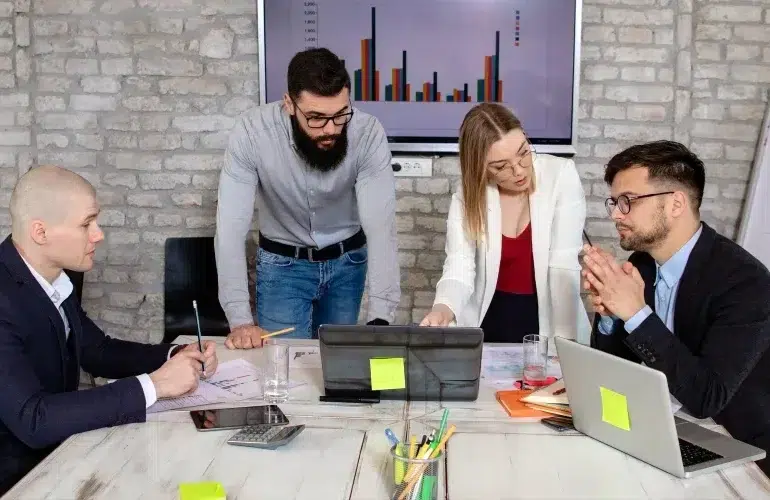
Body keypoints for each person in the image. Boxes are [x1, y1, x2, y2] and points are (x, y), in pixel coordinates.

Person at [0, 166, 219, 494]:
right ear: (40, 232)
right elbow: (34, 418)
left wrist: (174, 354)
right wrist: (154, 386)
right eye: (87, 224)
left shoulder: (58, 275)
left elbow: (97, 350)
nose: (98, 234)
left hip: (62, 454)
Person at [583, 140, 770, 475]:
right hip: (664, 425)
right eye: (614, 202)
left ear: (675, 203)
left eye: (628, 201)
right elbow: (621, 367)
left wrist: (637, 314)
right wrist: (611, 315)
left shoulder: (747, 283)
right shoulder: (642, 262)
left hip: (738, 447)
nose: (615, 214)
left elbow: (706, 398)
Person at [215, 47, 400, 348]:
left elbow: (381, 226)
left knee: (337, 367)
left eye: (340, 115)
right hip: (282, 265)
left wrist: (380, 317)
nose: (330, 129)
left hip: (348, 262)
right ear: (289, 103)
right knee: (283, 368)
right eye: (316, 118)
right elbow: (230, 228)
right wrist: (240, 320)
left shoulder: (367, 133)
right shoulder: (252, 132)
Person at [420, 103, 591, 345]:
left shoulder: (561, 175)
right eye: (501, 166)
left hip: (548, 318)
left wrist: (564, 348)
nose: (519, 170)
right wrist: (443, 307)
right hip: (488, 318)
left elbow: (563, 267)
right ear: (481, 168)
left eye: (523, 152)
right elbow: (459, 265)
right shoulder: (468, 193)